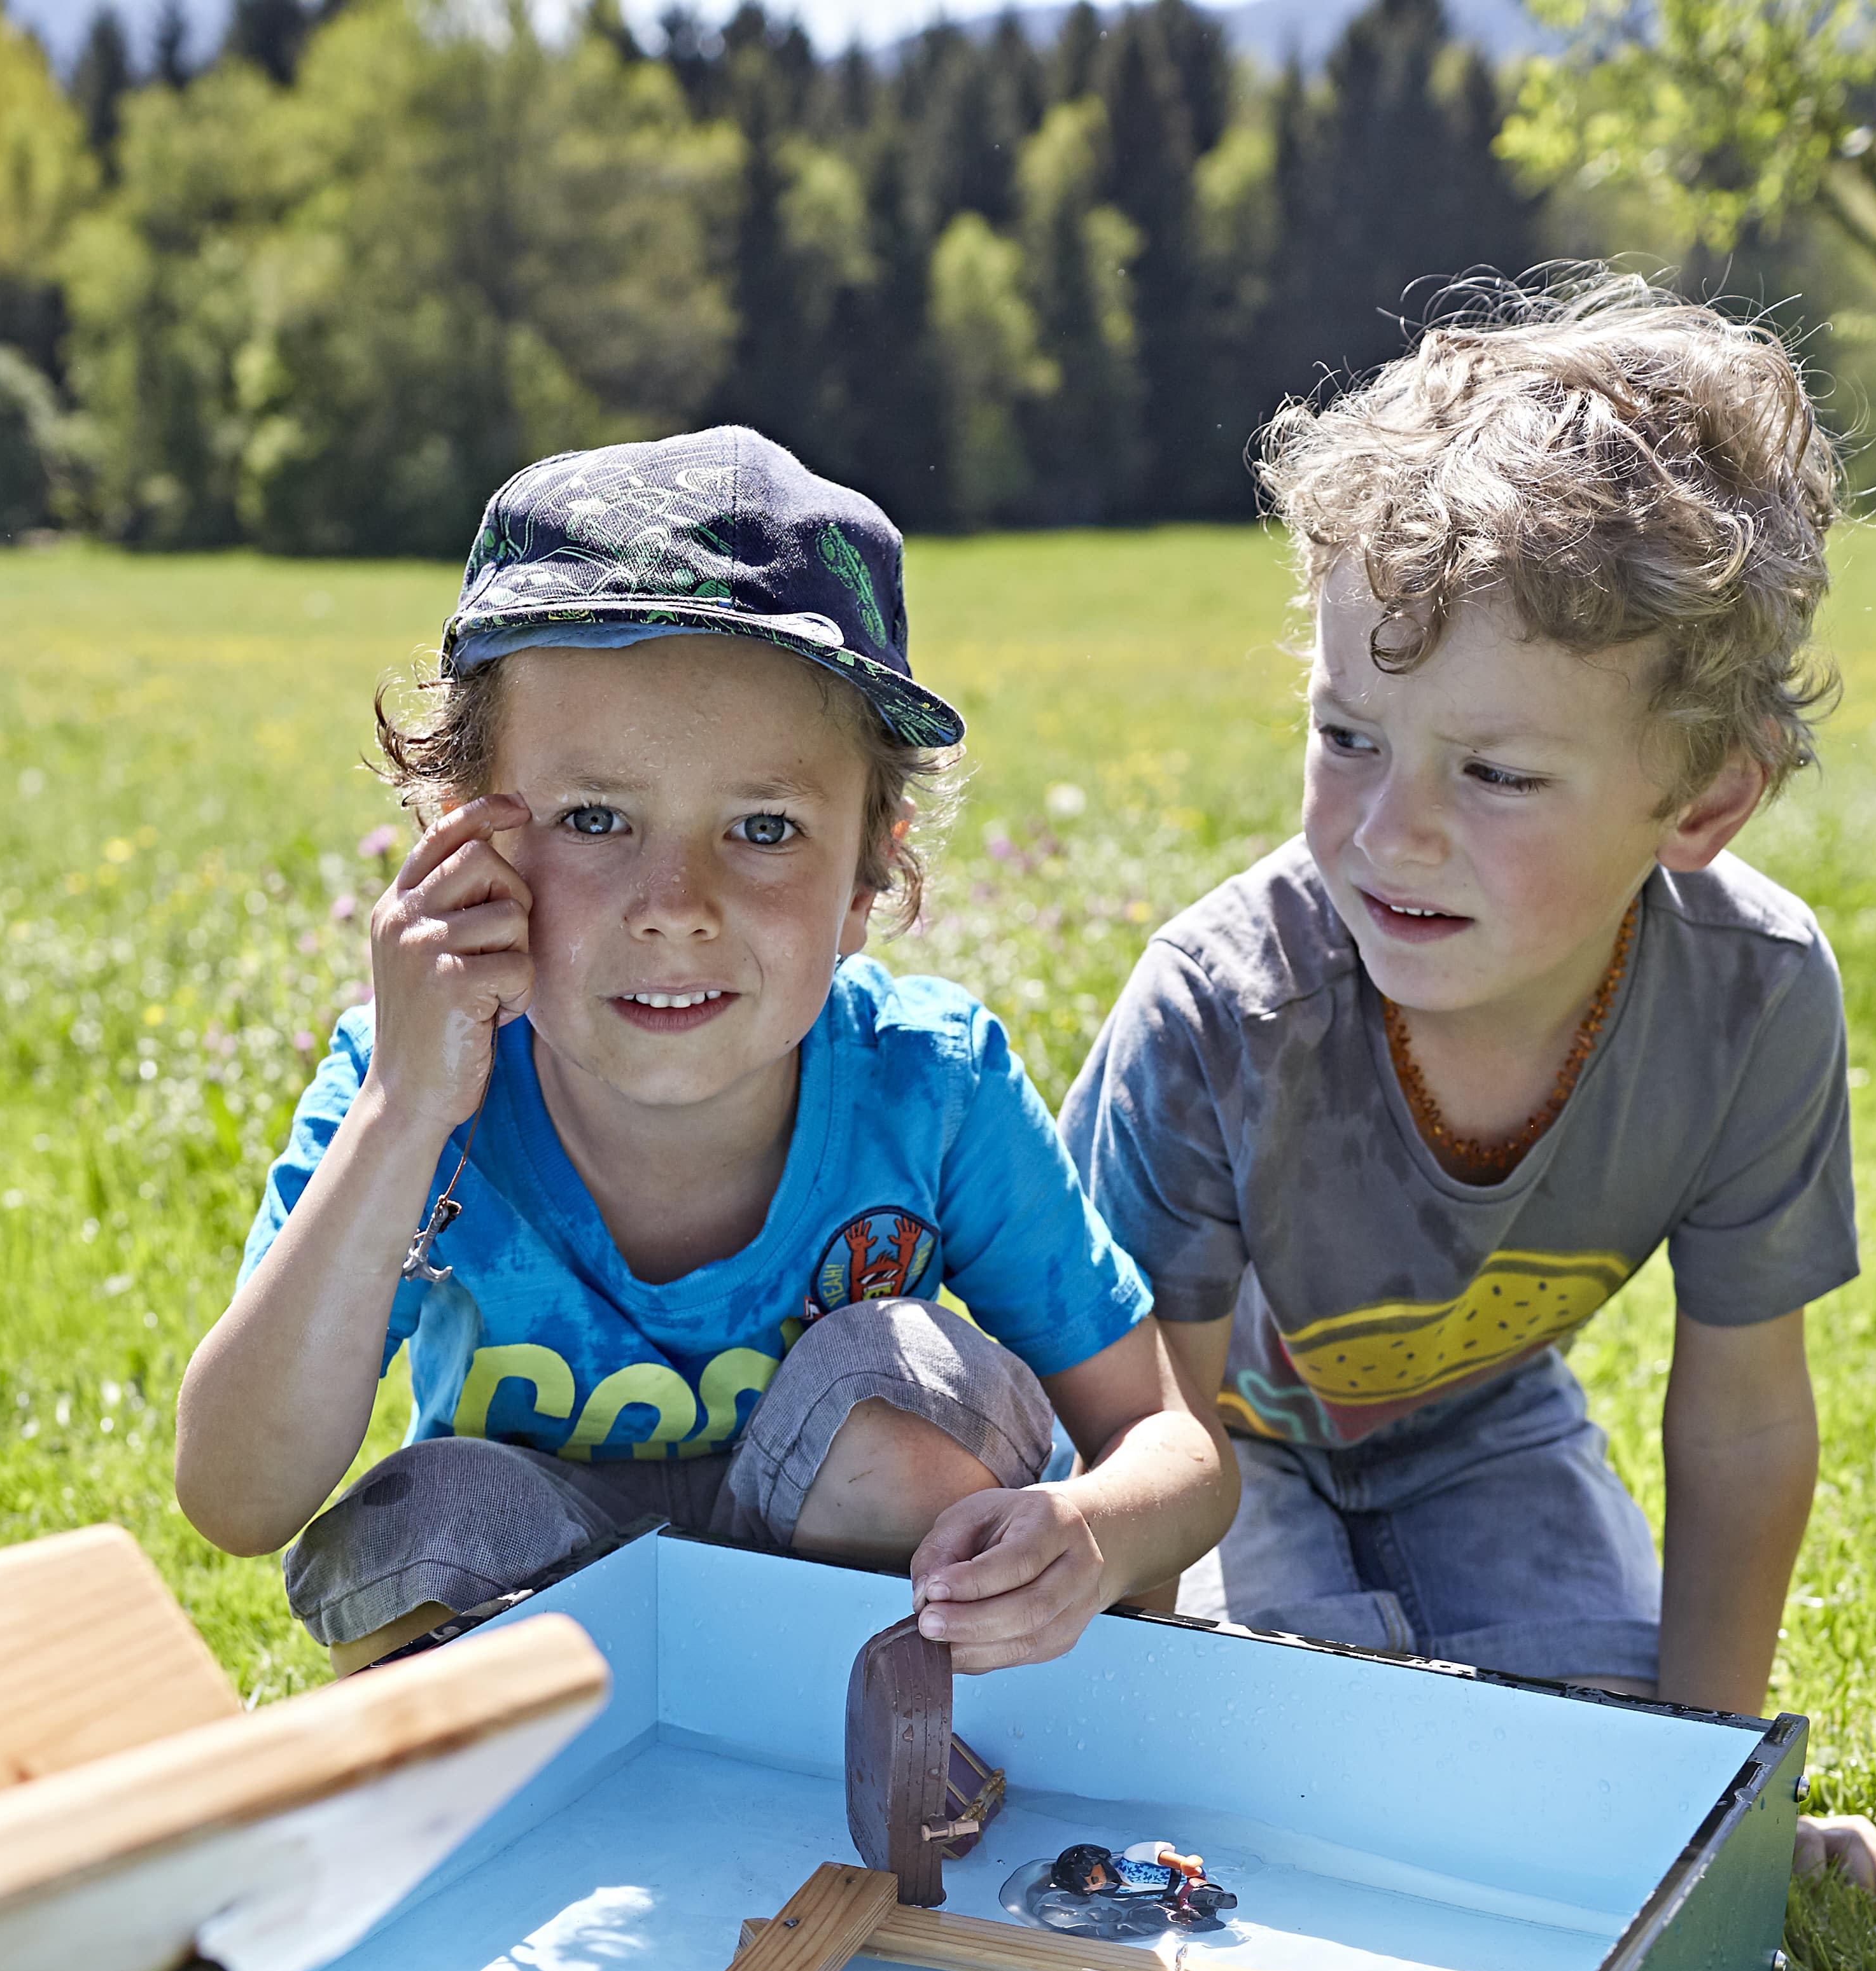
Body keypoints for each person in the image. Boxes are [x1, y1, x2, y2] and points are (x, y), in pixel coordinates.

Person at [1061, 275, 1876, 1886]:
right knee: (1300, 1788)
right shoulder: (1222, 1012)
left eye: (1496, 773)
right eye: (1348, 736)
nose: (1391, 834)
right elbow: (1134, 1444)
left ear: (1704, 798)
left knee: (1591, 1752)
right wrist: (1155, 1763)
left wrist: (1701, 1804)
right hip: (1221, 1447)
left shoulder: (1753, 1001)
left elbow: (1739, 1428)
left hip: (1486, 1428)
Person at [176, 428, 1235, 1676]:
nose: (676, 901)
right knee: (435, 1520)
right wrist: (405, 1110)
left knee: (883, 1404)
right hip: (559, 1631)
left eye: (765, 827)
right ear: (465, 846)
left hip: (863, 1653)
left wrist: (1094, 1534)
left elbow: (1175, 1444)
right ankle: (540, 1838)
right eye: (595, 819)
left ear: (869, 873)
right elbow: (235, 1499)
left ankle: (905, 1798)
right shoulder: (416, 1083)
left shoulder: (926, 1084)